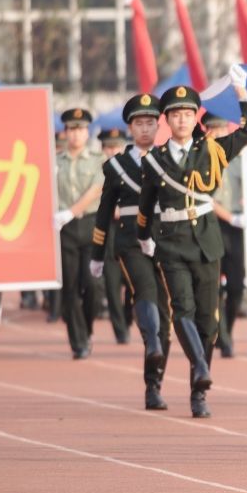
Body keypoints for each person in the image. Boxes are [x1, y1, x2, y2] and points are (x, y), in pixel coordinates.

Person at [136, 68, 247, 418]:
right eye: (176, 115)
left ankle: (197, 389)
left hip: (206, 240)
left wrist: (241, 91)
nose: (182, 119)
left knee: (209, 320)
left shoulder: (214, 150)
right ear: (167, 120)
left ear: (196, 118)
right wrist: (144, 237)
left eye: (189, 114)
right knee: (182, 309)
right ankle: (202, 370)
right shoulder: (156, 161)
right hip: (171, 242)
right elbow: (146, 205)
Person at [90, 93, 171, 410]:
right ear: (130, 127)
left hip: (165, 239)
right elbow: (103, 211)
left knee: (165, 313)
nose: (146, 128)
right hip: (129, 242)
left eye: (151, 122)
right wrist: (97, 253)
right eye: (140, 123)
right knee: (145, 290)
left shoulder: (169, 159)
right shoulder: (116, 166)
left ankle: (154, 384)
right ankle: (150, 343)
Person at [54, 107, 105, 360]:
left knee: (94, 284)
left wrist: (70, 211)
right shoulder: (54, 162)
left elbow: (95, 190)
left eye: (81, 129)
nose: (76, 134)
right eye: (72, 129)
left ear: (88, 132)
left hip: (91, 224)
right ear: (65, 132)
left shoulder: (98, 160)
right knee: (71, 287)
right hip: (64, 230)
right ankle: (79, 341)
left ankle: (87, 326)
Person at [206, 112, 247, 359]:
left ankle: (227, 329)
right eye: (212, 129)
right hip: (212, 224)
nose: (218, 133)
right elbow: (204, 198)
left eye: (221, 128)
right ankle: (223, 337)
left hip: (237, 226)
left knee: (236, 286)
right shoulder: (203, 159)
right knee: (213, 286)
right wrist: (231, 217)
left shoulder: (240, 159)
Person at [96, 126, 134, 344]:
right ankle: (120, 330)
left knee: (132, 282)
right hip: (108, 231)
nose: (112, 151)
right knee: (111, 283)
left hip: (130, 230)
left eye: (116, 147)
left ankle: (128, 317)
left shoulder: (133, 167)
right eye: (108, 148)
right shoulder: (98, 171)